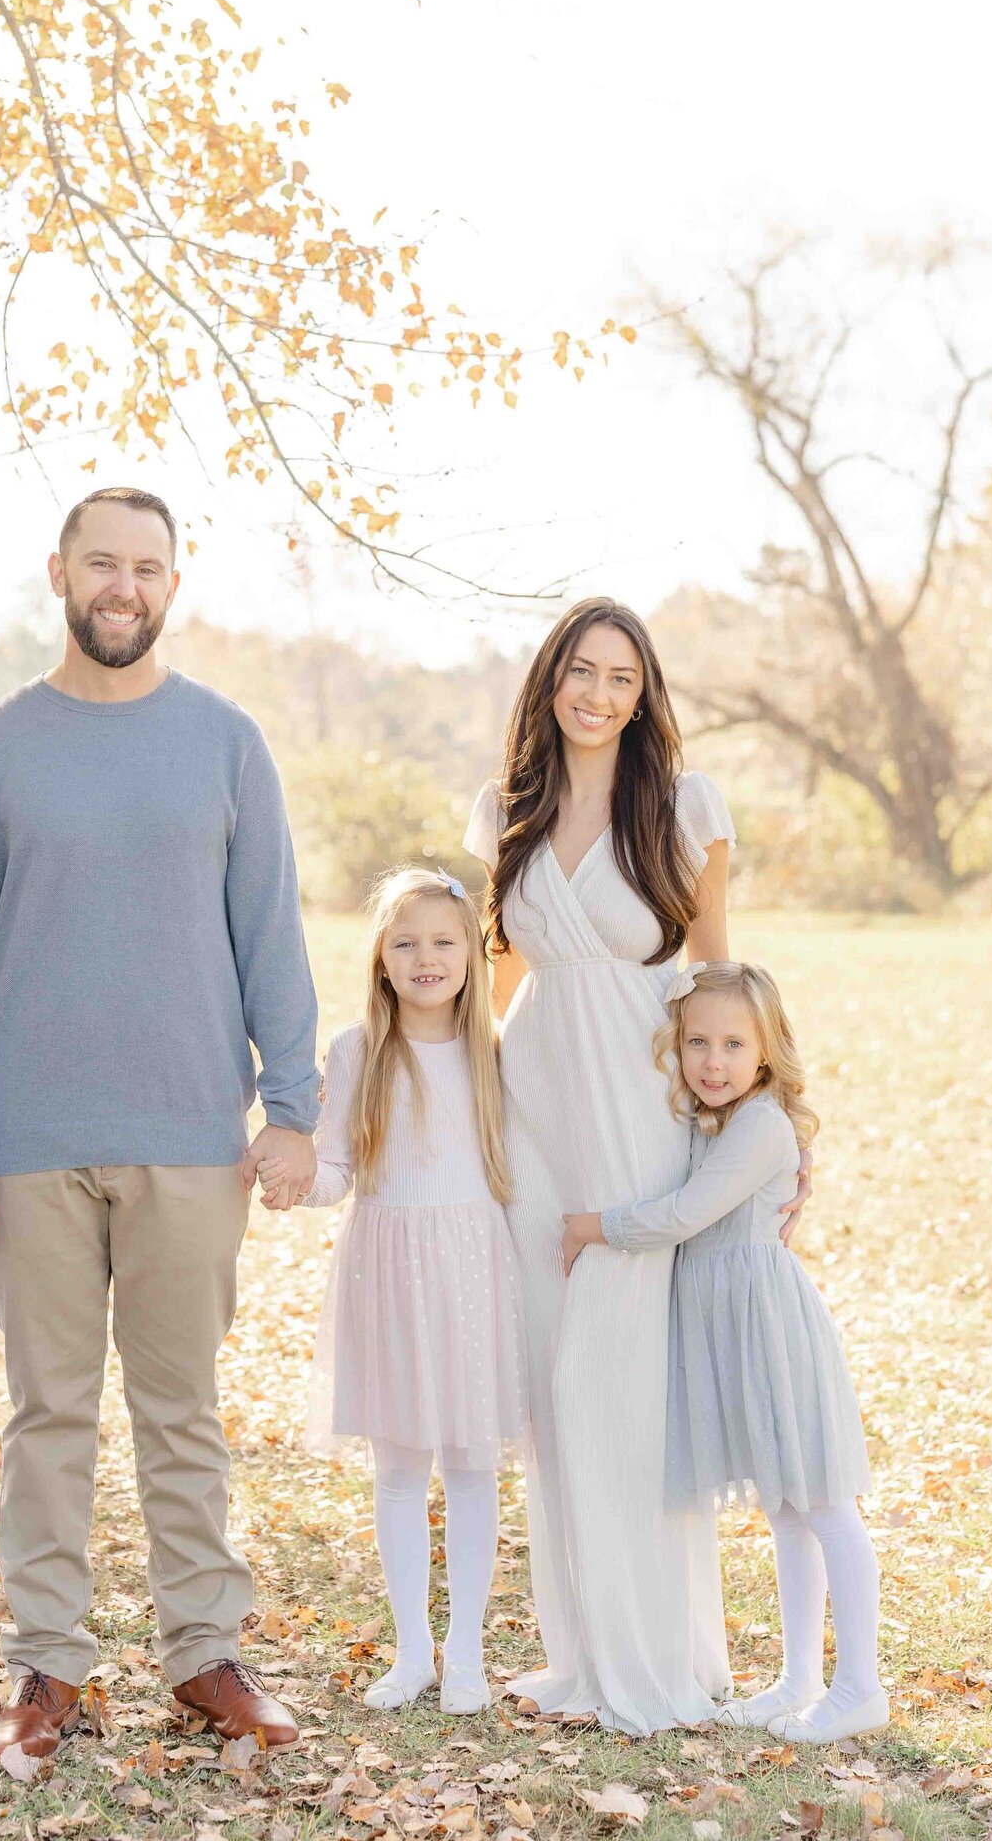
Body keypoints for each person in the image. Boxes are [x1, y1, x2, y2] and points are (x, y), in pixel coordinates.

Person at [0, 486, 319, 1773]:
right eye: (102, 563)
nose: (122, 587)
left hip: (192, 1137)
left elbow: (271, 935)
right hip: (29, 1142)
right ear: (59, 573)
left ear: (172, 586)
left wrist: (295, 1107)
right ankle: (48, 1668)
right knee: (48, 1419)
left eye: (146, 568)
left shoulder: (225, 742)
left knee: (182, 1412)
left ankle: (204, 1654)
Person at [465, 596, 809, 1735]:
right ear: (549, 680)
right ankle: (580, 1652)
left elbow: (723, 984)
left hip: (642, 1110)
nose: (597, 693)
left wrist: (772, 1132)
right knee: (551, 1381)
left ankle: (654, 1655)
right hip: (532, 1117)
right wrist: (437, 1099)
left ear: (644, 693)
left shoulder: (682, 808)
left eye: (620, 676)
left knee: (626, 1386)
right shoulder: (505, 811)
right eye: (579, 670)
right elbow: (497, 980)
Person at [564, 961, 885, 1745]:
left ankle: (861, 1687)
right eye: (697, 1040)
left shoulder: (761, 1126)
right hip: (727, 1327)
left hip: (766, 1327)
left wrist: (591, 1227)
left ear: (768, 1052)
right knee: (785, 1511)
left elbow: (684, 1213)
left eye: (734, 1043)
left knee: (820, 1504)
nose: (712, 1060)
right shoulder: (715, 1121)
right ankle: (799, 1677)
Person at [296, 867, 527, 1715]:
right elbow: (334, 1171)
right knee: (398, 1470)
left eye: (444, 941)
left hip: (473, 1269)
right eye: (406, 943)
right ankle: (411, 1652)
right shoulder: (357, 1050)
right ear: (380, 959)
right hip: (388, 1269)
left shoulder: (497, 1050)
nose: (426, 958)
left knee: (471, 1467)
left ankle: (465, 1652)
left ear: (473, 952)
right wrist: (288, 1170)